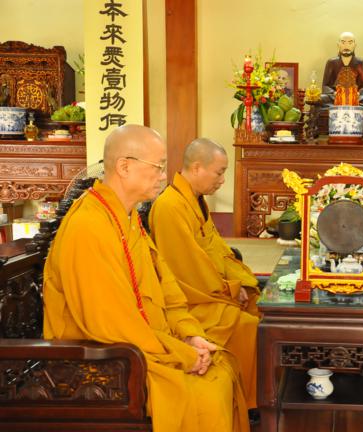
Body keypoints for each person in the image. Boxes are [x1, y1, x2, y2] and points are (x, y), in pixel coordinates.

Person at [43, 125, 249, 432]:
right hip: (106, 360)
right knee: (206, 392)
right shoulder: (89, 226)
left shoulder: (128, 218)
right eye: (158, 167)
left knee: (221, 365)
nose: (164, 176)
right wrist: (182, 355)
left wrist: (189, 334)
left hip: (141, 344)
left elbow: (166, 290)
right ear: (124, 166)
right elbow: (111, 324)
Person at [148, 138, 260, 414]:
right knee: (250, 326)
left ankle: (258, 391)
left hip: (209, 289)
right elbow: (187, 268)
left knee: (259, 304)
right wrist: (229, 288)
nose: (222, 180)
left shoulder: (194, 201)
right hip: (192, 300)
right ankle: (252, 403)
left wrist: (239, 281)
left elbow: (216, 248)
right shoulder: (169, 207)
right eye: (219, 172)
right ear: (197, 167)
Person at [321, 31, 363, 105]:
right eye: (343, 42)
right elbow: (325, 86)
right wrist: (334, 93)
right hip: (336, 96)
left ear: (355, 45)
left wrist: (358, 93)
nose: (346, 46)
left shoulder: (360, 62)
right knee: (321, 98)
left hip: (356, 96)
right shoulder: (331, 62)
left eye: (350, 43)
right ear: (338, 45)